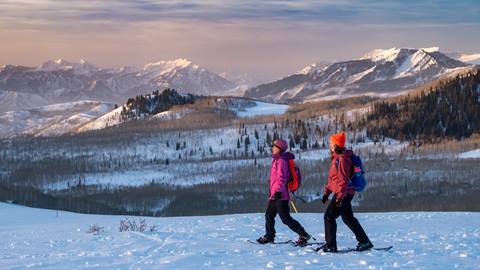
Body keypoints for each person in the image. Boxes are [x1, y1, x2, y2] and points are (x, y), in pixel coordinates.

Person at [322, 132, 373, 252]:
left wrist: (339, 197)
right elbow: (334, 180)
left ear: (336, 145)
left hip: (343, 193)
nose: (329, 145)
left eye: (331, 143)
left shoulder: (343, 160)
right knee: (348, 218)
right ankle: (365, 242)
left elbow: (343, 181)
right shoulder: (337, 158)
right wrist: (327, 192)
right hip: (344, 193)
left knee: (329, 216)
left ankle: (330, 246)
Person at [257, 139, 311, 246]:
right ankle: (269, 236)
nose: (272, 148)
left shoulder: (281, 161)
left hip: (280, 195)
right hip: (275, 195)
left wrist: (277, 192)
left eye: (274, 146)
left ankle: (304, 234)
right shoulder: (277, 160)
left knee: (285, 218)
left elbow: (282, 178)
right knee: (269, 215)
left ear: (279, 148)